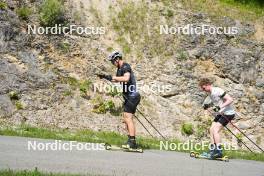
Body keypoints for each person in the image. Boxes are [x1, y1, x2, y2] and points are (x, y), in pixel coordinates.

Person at [98, 51, 141, 149]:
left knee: (128, 117)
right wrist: (106, 77)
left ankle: (132, 142)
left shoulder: (125, 66)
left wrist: (112, 77)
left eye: (112, 61)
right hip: (129, 96)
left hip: (132, 96)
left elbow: (126, 78)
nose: (112, 63)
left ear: (117, 59)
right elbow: (116, 79)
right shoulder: (119, 69)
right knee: (126, 118)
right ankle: (130, 139)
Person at [199, 78, 236, 159]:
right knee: (211, 129)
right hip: (221, 113)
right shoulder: (210, 93)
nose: (203, 90)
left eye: (203, 88)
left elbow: (230, 99)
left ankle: (219, 152)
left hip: (228, 113)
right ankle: (212, 150)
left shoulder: (218, 90)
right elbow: (214, 101)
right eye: (202, 89)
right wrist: (207, 105)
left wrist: (220, 107)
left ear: (208, 85)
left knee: (216, 130)